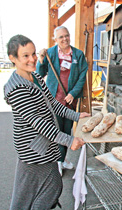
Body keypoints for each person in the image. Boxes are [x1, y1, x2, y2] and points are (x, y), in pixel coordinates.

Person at [4, 34, 90, 209]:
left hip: (44, 146)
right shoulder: (17, 88)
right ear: (12, 58)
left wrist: (76, 116)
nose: (32, 59)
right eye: (25, 55)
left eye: (34, 53)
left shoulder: (34, 76)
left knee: (31, 192)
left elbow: (53, 105)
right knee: (45, 189)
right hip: (33, 149)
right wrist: (68, 140)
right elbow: (38, 122)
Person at [36, 26, 88, 175]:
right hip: (54, 99)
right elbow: (40, 74)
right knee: (56, 130)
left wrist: (73, 93)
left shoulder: (77, 54)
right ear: (55, 39)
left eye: (66, 36)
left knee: (67, 129)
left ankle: (63, 159)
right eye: (61, 37)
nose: (64, 39)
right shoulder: (50, 53)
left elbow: (82, 76)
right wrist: (41, 60)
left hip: (70, 100)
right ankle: (57, 161)